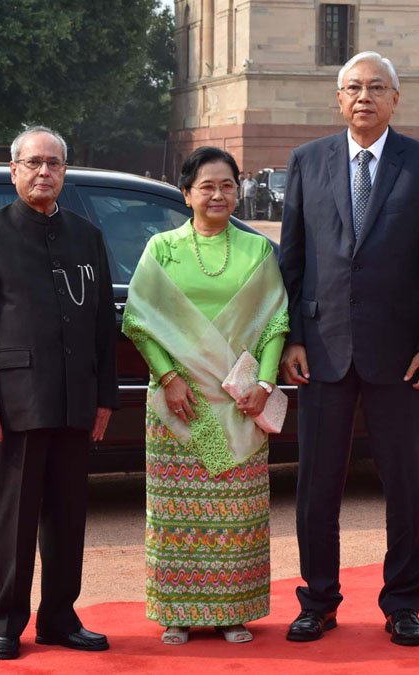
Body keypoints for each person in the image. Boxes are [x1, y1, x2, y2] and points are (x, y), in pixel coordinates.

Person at [278, 51, 419, 646]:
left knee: (406, 486)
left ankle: (403, 602)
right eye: (353, 87)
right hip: (321, 352)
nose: (364, 97)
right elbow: (292, 258)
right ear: (338, 98)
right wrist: (291, 338)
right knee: (316, 485)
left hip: (403, 355)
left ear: (395, 99)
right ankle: (318, 600)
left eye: (377, 88)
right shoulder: (307, 161)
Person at [0, 126, 118, 660]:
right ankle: (5, 623)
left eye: (54, 164)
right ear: (14, 171)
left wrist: (104, 398)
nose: (44, 172)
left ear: (65, 172)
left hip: (76, 401)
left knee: (69, 516)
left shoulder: (87, 236)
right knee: (14, 519)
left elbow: (101, 325)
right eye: (33, 163)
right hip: (13, 404)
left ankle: (59, 618)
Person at [122, 147, 289, 646]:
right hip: (183, 405)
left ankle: (231, 611)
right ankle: (177, 611)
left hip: (239, 404)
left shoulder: (257, 250)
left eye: (228, 186)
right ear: (187, 193)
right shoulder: (163, 249)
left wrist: (263, 385)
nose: (218, 195)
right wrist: (168, 377)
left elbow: (276, 321)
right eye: (207, 186)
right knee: (178, 515)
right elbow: (138, 321)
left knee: (234, 513)